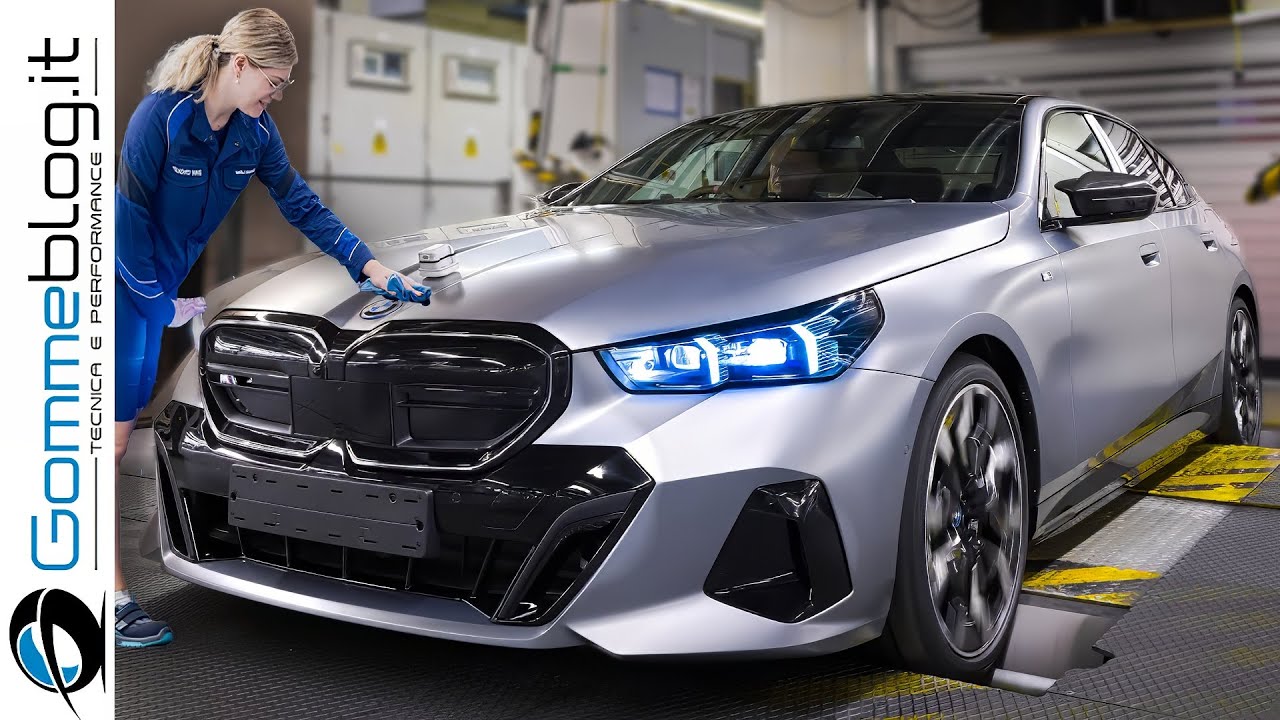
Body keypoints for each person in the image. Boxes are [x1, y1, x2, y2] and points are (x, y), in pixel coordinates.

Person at [114, 7, 427, 648]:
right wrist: (157, 304)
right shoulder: (163, 119)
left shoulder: (254, 133)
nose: (276, 94)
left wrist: (369, 266)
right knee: (107, 443)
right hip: (112, 288)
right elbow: (123, 222)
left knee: (111, 441)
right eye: (274, 80)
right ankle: (108, 594)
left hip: (155, 295)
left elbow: (299, 202)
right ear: (240, 64)